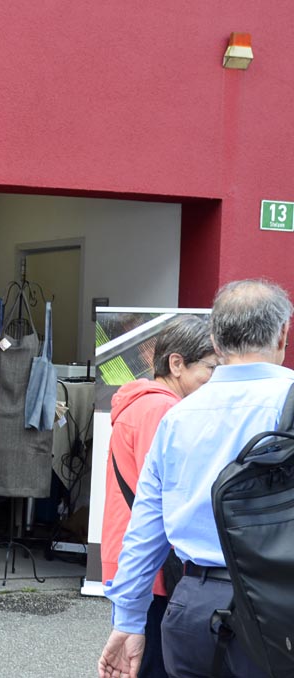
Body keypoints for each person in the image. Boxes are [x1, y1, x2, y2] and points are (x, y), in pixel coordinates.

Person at [98, 279, 294, 678]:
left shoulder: (177, 417)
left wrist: (129, 621)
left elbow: (145, 529)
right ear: (284, 333)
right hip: (280, 606)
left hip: (193, 606)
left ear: (217, 344)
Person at [100, 315, 217, 678]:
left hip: (136, 558)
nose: (217, 380)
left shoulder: (143, 403)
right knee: (151, 664)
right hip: (154, 566)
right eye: (211, 368)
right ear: (177, 363)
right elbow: (172, 493)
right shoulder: (163, 410)